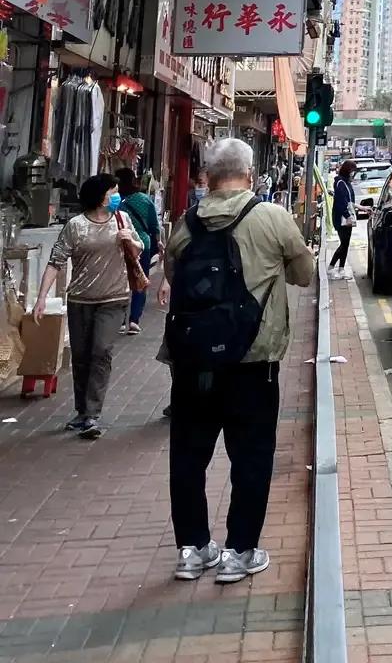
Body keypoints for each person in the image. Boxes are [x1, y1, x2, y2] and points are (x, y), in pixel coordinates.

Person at [162, 136, 314, 583]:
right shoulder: (271, 218)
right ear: (249, 176)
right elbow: (304, 274)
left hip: (192, 365)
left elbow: (174, 278)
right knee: (251, 458)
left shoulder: (185, 225)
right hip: (253, 362)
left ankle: (192, 549)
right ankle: (239, 551)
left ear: (208, 177)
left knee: (188, 458)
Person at [33, 173, 142, 439]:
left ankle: (92, 414)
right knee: (81, 357)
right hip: (81, 298)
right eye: (112, 191)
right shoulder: (76, 226)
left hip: (114, 297)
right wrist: (41, 297)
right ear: (99, 195)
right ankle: (82, 412)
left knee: (101, 351)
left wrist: (130, 241)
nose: (116, 196)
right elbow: (56, 261)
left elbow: (140, 248)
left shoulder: (122, 220)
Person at [115, 167, 162, 335]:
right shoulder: (143, 199)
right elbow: (154, 225)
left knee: (121, 282)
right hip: (142, 244)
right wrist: (159, 243)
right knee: (140, 280)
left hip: (121, 245)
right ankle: (134, 320)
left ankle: (120, 321)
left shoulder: (114, 200)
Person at [330, 159, 358, 277]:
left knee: (345, 244)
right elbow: (341, 202)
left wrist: (363, 208)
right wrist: (347, 216)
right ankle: (332, 266)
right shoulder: (341, 183)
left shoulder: (346, 182)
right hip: (341, 217)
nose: (353, 173)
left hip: (346, 217)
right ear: (348, 170)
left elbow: (350, 201)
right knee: (344, 243)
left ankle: (340, 268)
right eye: (352, 170)